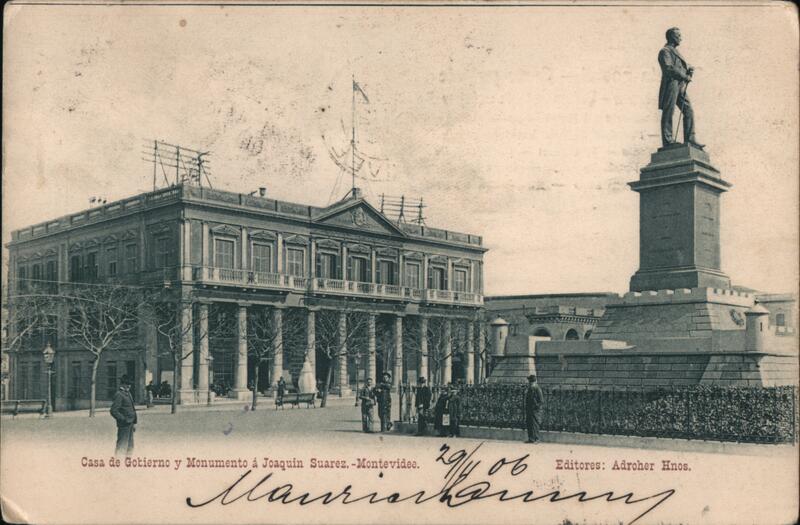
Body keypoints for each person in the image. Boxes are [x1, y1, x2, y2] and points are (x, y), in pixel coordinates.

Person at [658, 27, 704, 149]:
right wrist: (684, 75)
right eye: (678, 36)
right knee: (669, 111)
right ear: (672, 37)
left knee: (688, 110)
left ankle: (690, 138)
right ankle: (668, 140)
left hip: (680, 85)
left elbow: (679, 67)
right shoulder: (665, 51)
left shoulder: (675, 52)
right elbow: (668, 68)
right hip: (671, 84)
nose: (681, 38)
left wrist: (688, 70)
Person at [110, 375, 137, 456]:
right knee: (122, 445)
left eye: (130, 384)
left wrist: (134, 422)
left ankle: (127, 464)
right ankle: (118, 464)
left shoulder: (128, 394)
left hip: (130, 423)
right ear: (122, 384)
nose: (129, 386)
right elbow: (113, 411)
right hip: (124, 425)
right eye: (126, 384)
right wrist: (123, 419)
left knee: (130, 446)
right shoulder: (119, 394)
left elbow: (132, 408)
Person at [524, 374, 545, 443]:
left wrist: (536, 407)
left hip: (535, 410)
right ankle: (531, 438)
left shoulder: (537, 388)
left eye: (530, 381)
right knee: (529, 423)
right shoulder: (530, 388)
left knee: (535, 424)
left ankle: (536, 438)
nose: (529, 382)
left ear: (532, 381)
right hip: (529, 409)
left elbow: (541, 400)